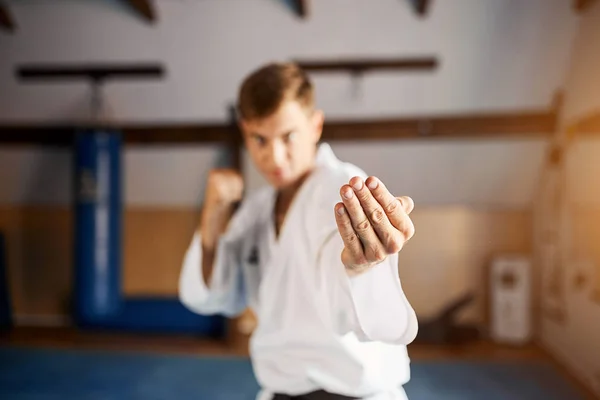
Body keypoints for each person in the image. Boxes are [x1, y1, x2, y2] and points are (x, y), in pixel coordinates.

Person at [178, 62, 418, 400]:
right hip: (281, 390)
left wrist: (361, 266)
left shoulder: (341, 189)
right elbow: (214, 294)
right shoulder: (255, 211)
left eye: (288, 137)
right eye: (259, 139)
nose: (274, 156)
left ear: (315, 126)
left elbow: (350, 288)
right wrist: (213, 212)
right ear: (245, 131)